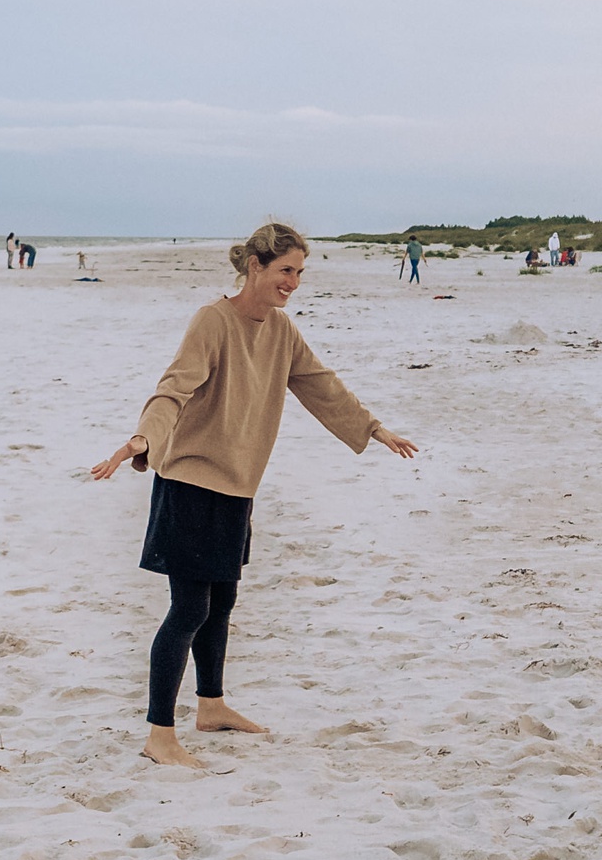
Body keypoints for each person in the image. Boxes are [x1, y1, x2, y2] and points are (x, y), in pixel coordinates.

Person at [90, 222, 418, 768]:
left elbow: (320, 384)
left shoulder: (282, 331)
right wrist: (141, 440)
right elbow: (174, 389)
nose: (293, 282)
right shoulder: (213, 321)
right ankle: (159, 735)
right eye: (285, 270)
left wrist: (372, 428)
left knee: (222, 603)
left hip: (236, 486)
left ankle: (211, 705)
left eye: (299, 273)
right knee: (189, 608)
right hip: (191, 483)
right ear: (255, 267)